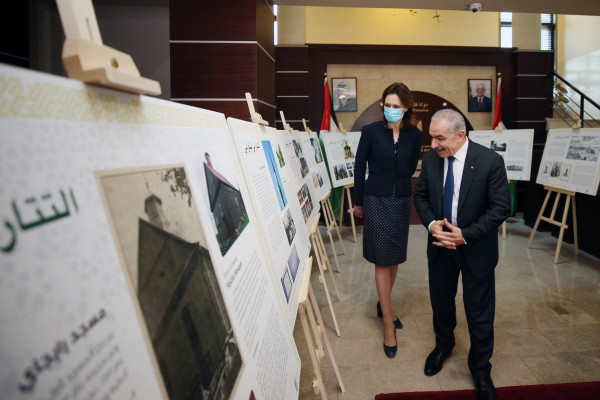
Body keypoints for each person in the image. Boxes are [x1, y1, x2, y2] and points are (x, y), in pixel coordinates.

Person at [413, 109, 510, 400]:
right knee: (441, 304)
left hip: (476, 249)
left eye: (439, 138)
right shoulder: (432, 159)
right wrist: (432, 224)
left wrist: (465, 234)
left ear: (460, 135)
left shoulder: (490, 161)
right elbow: (420, 196)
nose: (433, 144)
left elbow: (500, 208)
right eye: (431, 137)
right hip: (440, 247)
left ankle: (480, 369)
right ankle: (443, 346)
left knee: (479, 312)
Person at [353, 82, 422, 358]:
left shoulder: (414, 135)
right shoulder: (371, 131)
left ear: (406, 108)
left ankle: (384, 306)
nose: (390, 110)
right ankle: (388, 323)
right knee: (382, 259)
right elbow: (359, 167)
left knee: (393, 258)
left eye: (396, 106)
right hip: (375, 199)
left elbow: (410, 167)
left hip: (401, 199)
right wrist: (358, 201)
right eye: (387, 105)